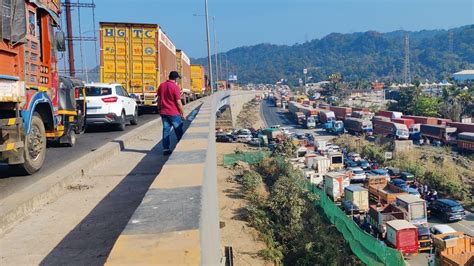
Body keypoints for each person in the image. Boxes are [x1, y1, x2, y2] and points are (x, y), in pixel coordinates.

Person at [156, 71, 185, 156]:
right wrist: (182, 112)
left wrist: (158, 108)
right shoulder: (175, 87)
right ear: (175, 79)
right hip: (173, 113)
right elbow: (178, 102)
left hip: (164, 112)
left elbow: (159, 99)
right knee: (178, 129)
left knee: (166, 130)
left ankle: (166, 149)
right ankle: (181, 146)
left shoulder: (161, 86)